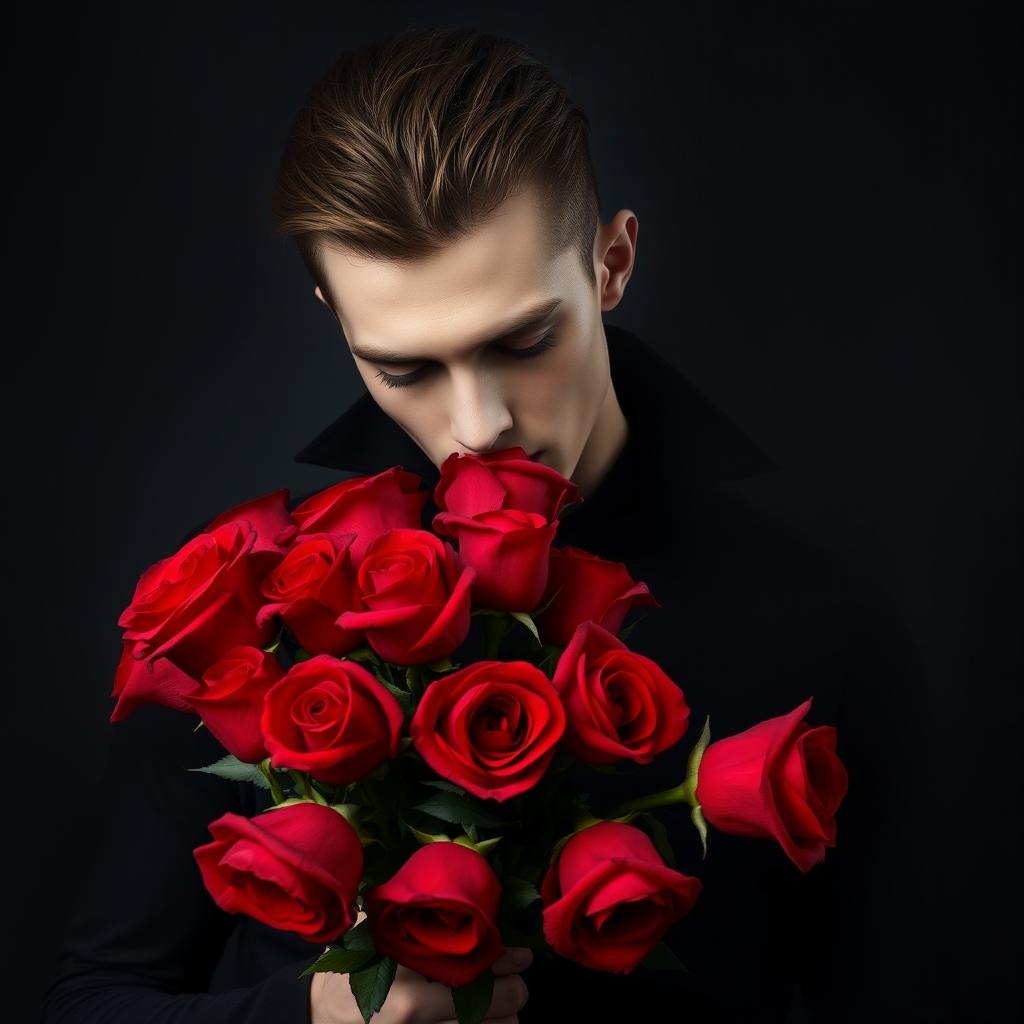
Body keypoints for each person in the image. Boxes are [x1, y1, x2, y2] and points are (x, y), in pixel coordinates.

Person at [43, 26, 920, 1024]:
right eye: (404, 368)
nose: (477, 425)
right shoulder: (245, 607)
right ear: (334, 317)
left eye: (525, 338)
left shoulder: (819, 610)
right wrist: (311, 1019)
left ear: (612, 263)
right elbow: (85, 1000)